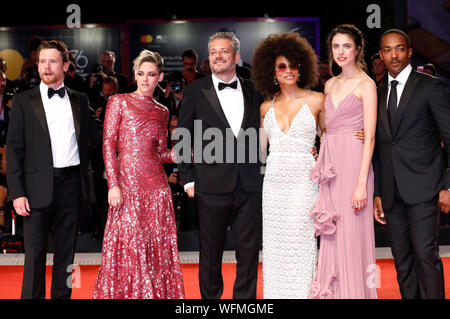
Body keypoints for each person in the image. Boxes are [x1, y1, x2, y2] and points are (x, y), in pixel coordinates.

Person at [6, 40, 101, 299]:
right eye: (42, 61)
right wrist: (17, 193)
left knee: (66, 255)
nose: (46, 66)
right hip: (35, 190)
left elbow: (99, 135)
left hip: (72, 186)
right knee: (34, 257)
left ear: (66, 65)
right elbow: (13, 149)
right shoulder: (24, 101)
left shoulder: (81, 100)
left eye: (53, 61)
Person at [176, 31, 263, 299]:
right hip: (210, 185)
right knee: (211, 253)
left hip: (249, 185)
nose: (217, 56)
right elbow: (183, 135)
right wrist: (188, 179)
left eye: (223, 51)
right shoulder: (194, 91)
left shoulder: (254, 88)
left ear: (236, 56)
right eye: (213, 52)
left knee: (248, 253)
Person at [93, 49, 185, 299]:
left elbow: (159, 152)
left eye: (151, 74)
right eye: (141, 73)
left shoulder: (162, 111)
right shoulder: (118, 101)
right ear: (134, 75)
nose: (145, 79)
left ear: (160, 77)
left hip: (156, 190)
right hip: (127, 189)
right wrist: (113, 184)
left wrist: (176, 156)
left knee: (154, 251)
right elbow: (108, 144)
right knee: (129, 250)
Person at [373, 29, 450, 299]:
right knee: (402, 260)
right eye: (387, 50)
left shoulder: (431, 86)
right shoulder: (378, 92)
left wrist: (447, 186)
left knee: (425, 256)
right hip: (392, 193)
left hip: (425, 189)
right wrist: (378, 193)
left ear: (409, 51)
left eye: (399, 49)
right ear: (381, 55)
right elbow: (380, 150)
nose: (394, 55)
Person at [251, 32, 324, 298]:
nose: (288, 70)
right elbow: (258, 152)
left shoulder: (317, 100)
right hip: (274, 186)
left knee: (302, 243)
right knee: (276, 247)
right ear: (272, 70)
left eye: (293, 65)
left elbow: (330, 138)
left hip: (304, 184)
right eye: (282, 66)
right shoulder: (263, 108)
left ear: (301, 67)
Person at [309, 24, 378, 299]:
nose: (341, 52)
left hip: (355, 166)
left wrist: (361, 184)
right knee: (333, 233)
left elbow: (370, 137)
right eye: (336, 46)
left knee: (353, 236)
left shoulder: (367, 85)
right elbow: (324, 127)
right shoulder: (329, 83)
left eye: (346, 46)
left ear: (358, 48)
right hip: (331, 167)